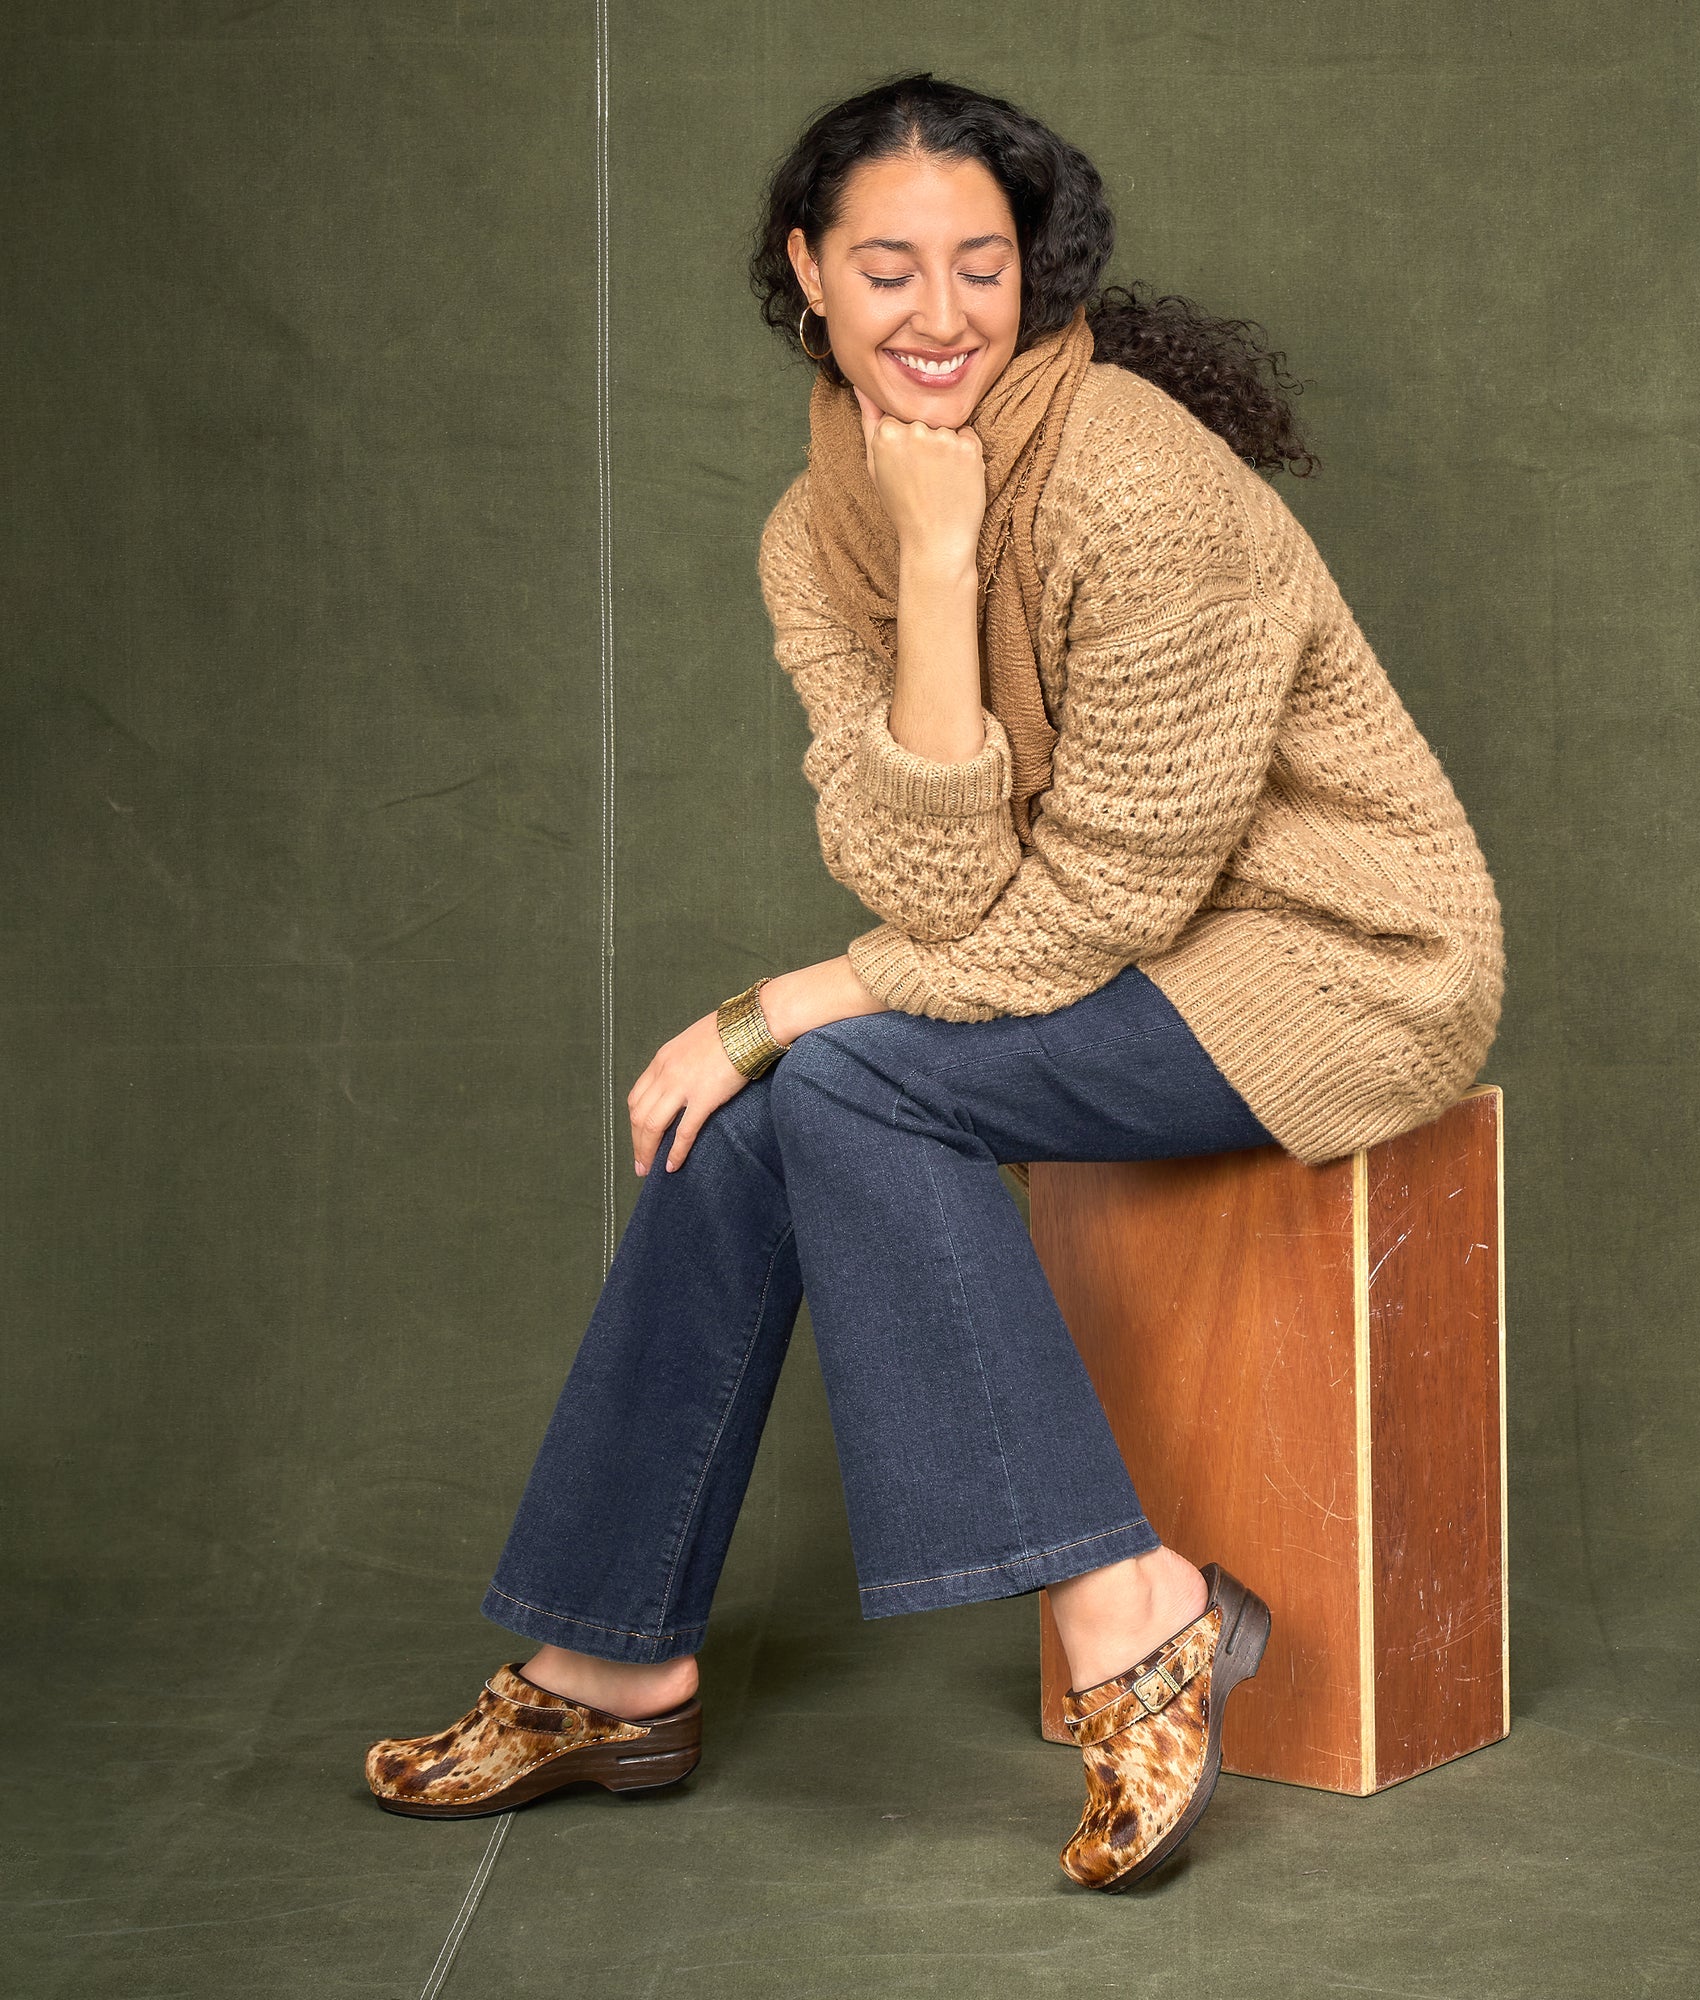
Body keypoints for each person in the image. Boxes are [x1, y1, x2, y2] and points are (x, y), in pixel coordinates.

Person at [362, 72, 1504, 1893]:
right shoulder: (815, 530)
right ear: (807, 273)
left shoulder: (1142, 483)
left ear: (1034, 272)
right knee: (751, 1126)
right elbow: (945, 885)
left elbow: (1103, 905)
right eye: (889, 267)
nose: (941, 313)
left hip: (1323, 967)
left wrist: (777, 1005)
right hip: (1110, 947)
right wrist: (937, 557)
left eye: (983, 265)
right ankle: (608, 1657)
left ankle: (1130, 1607)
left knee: (823, 1073)